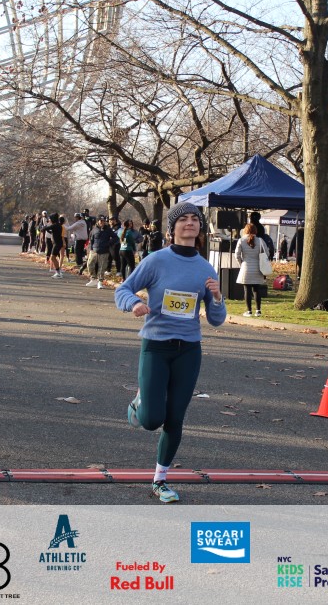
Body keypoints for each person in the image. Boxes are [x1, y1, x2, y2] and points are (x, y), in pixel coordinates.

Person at [114, 202, 226, 503]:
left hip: (189, 350)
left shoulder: (205, 268)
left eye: (195, 219)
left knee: (175, 418)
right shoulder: (156, 260)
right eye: (183, 219)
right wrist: (134, 304)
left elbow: (216, 319)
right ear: (172, 228)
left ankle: (160, 480)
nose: (190, 223)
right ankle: (140, 403)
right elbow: (122, 289)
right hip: (156, 346)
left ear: (200, 227)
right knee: (152, 420)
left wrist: (217, 297)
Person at [235, 223, 268, 317]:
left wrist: (241, 264)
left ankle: (249, 311)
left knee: (247, 290)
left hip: (246, 267)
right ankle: (258, 310)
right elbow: (267, 253)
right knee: (257, 290)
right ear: (255, 231)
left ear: (245, 230)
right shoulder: (260, 240)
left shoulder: (241, 240)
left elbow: (237, 255)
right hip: (258, 268)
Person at [85, 215, 116, 288]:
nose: (102, 222)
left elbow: (115, 238)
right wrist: (90, 249)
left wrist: (108, 243)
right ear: (98, 221)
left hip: (104, 251)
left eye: (104, 221)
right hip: (94, 250)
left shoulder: (108, 229)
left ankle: (100, 282)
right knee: (89, 264)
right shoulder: (94, 229)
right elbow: (91, 239)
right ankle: (93, 279)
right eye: (101, 221)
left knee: (102, 267)